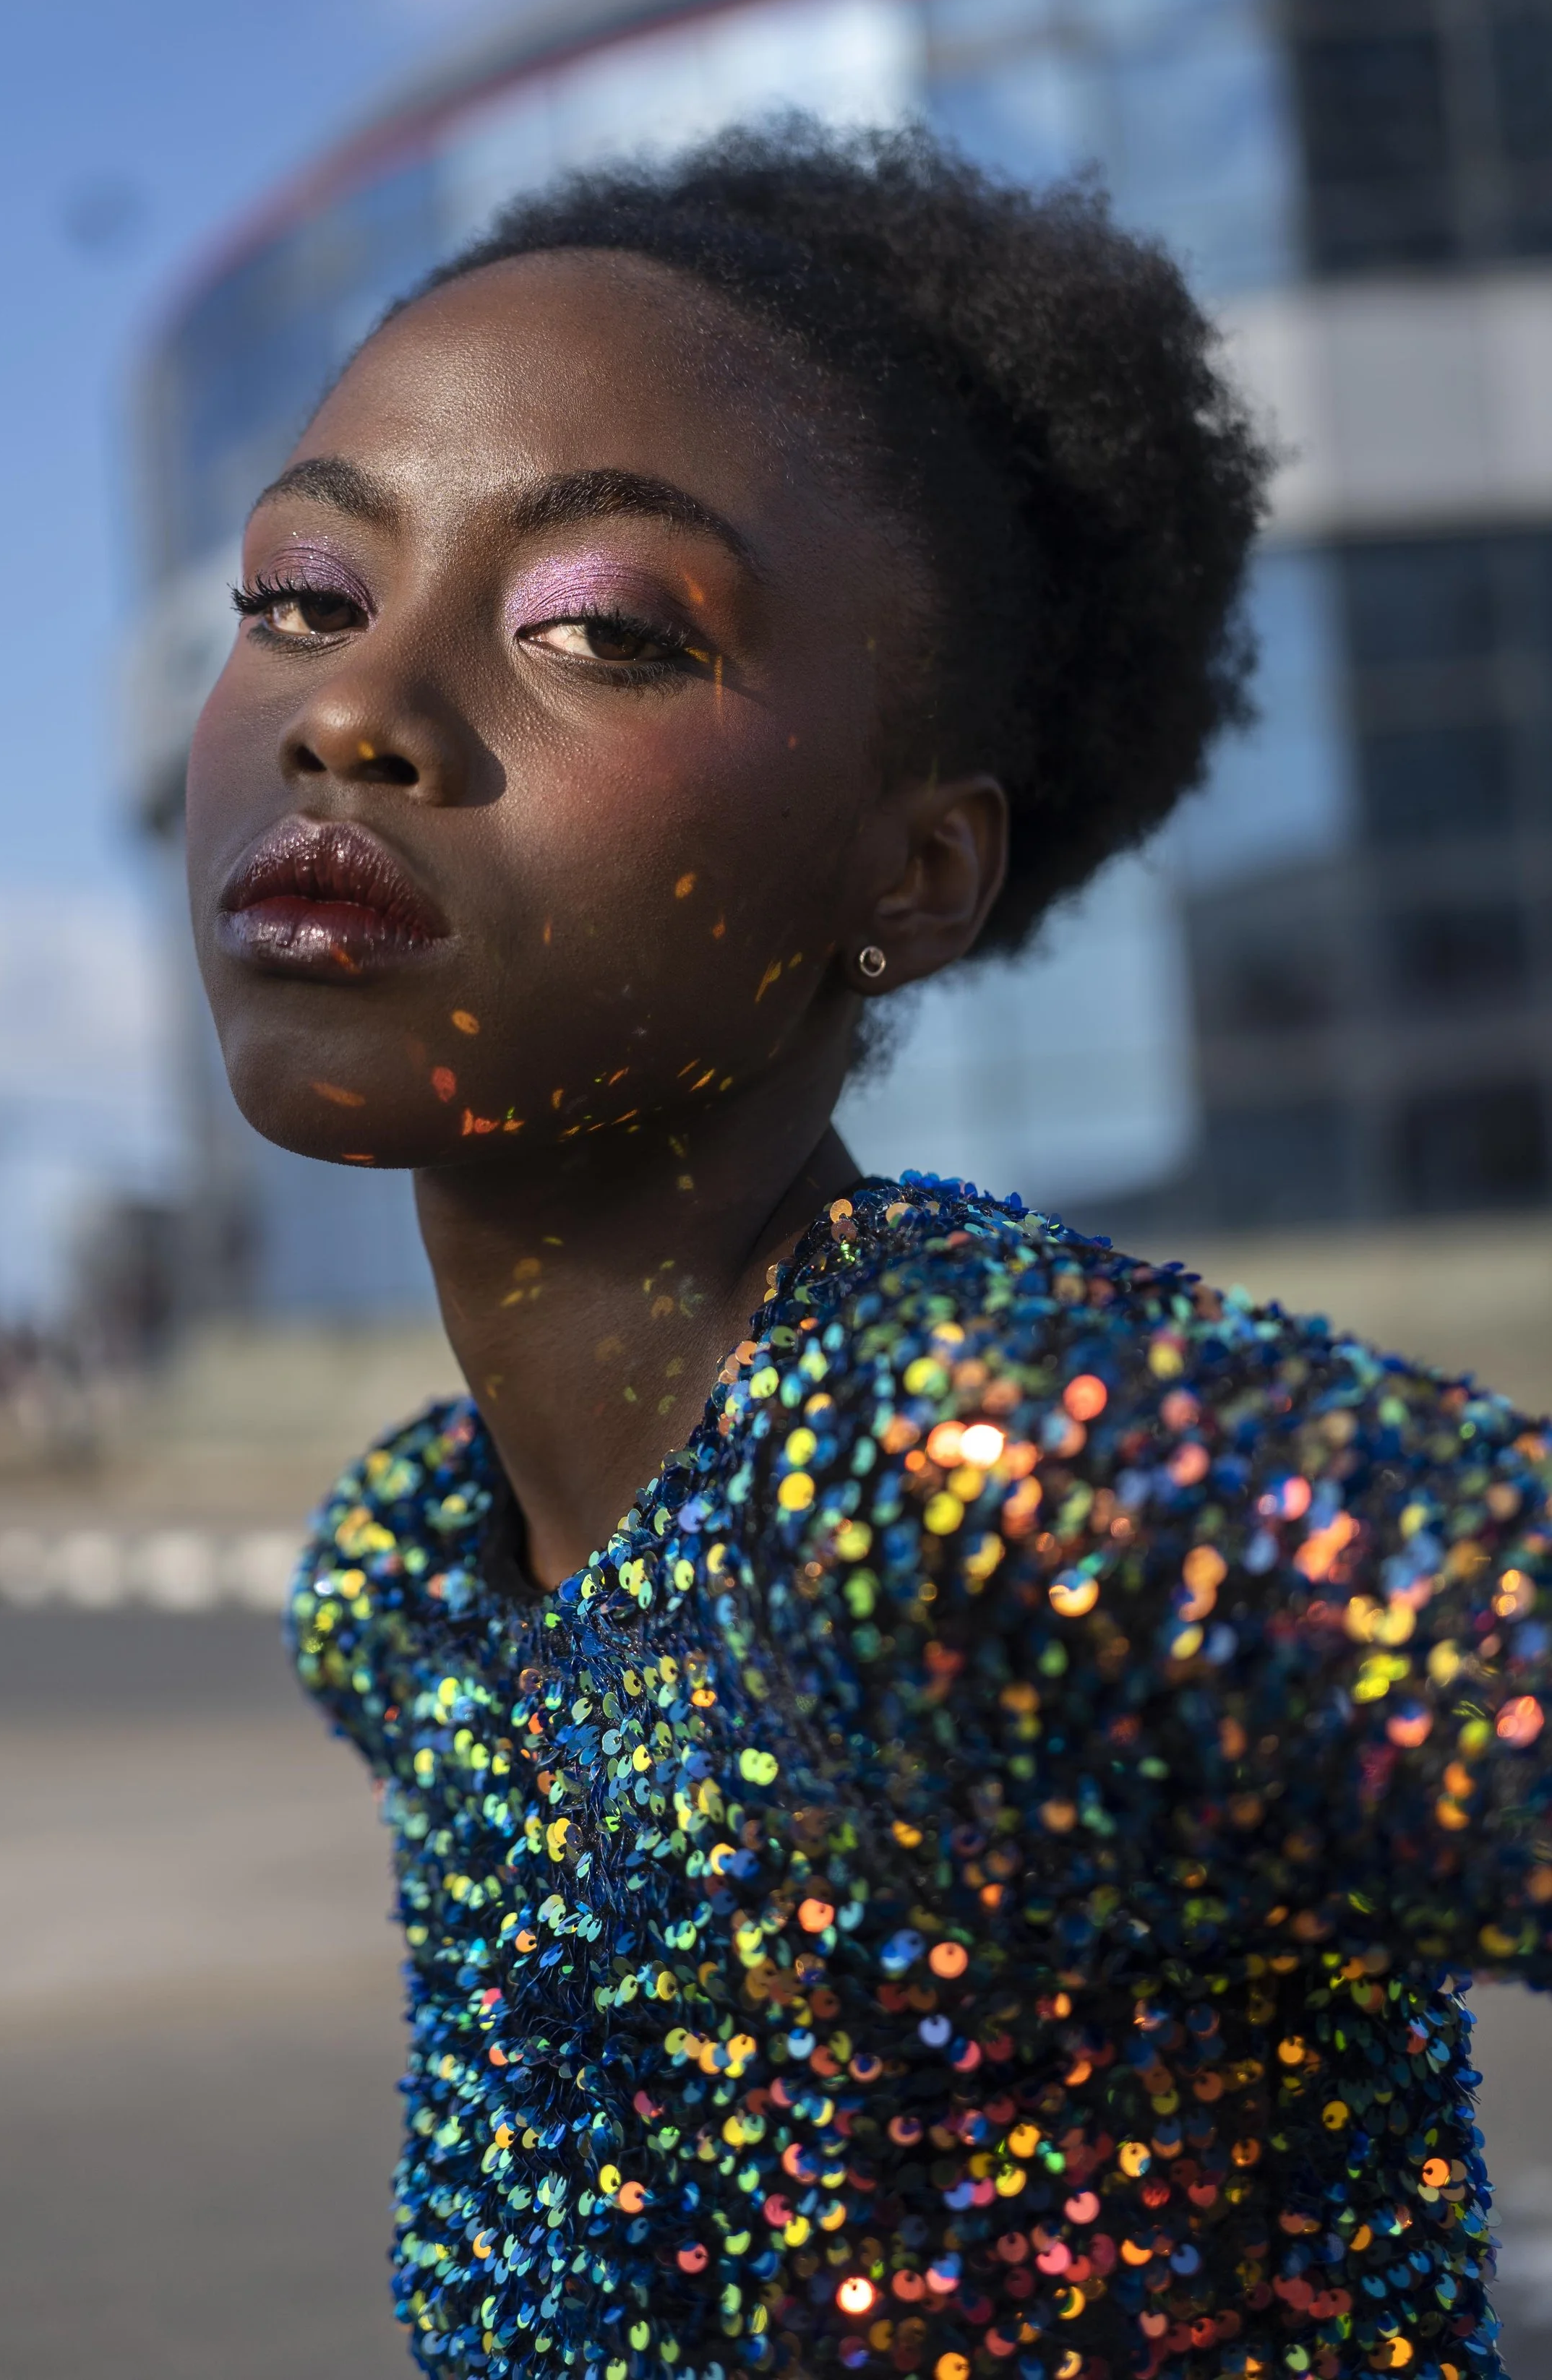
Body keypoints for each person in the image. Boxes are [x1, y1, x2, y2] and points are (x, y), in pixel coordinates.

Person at [184, 124, 1551, 2380]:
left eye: (601, 631)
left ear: (912, 874)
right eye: (301, 595)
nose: (353, 710)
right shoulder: (417, 1586)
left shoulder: (987, 1461)